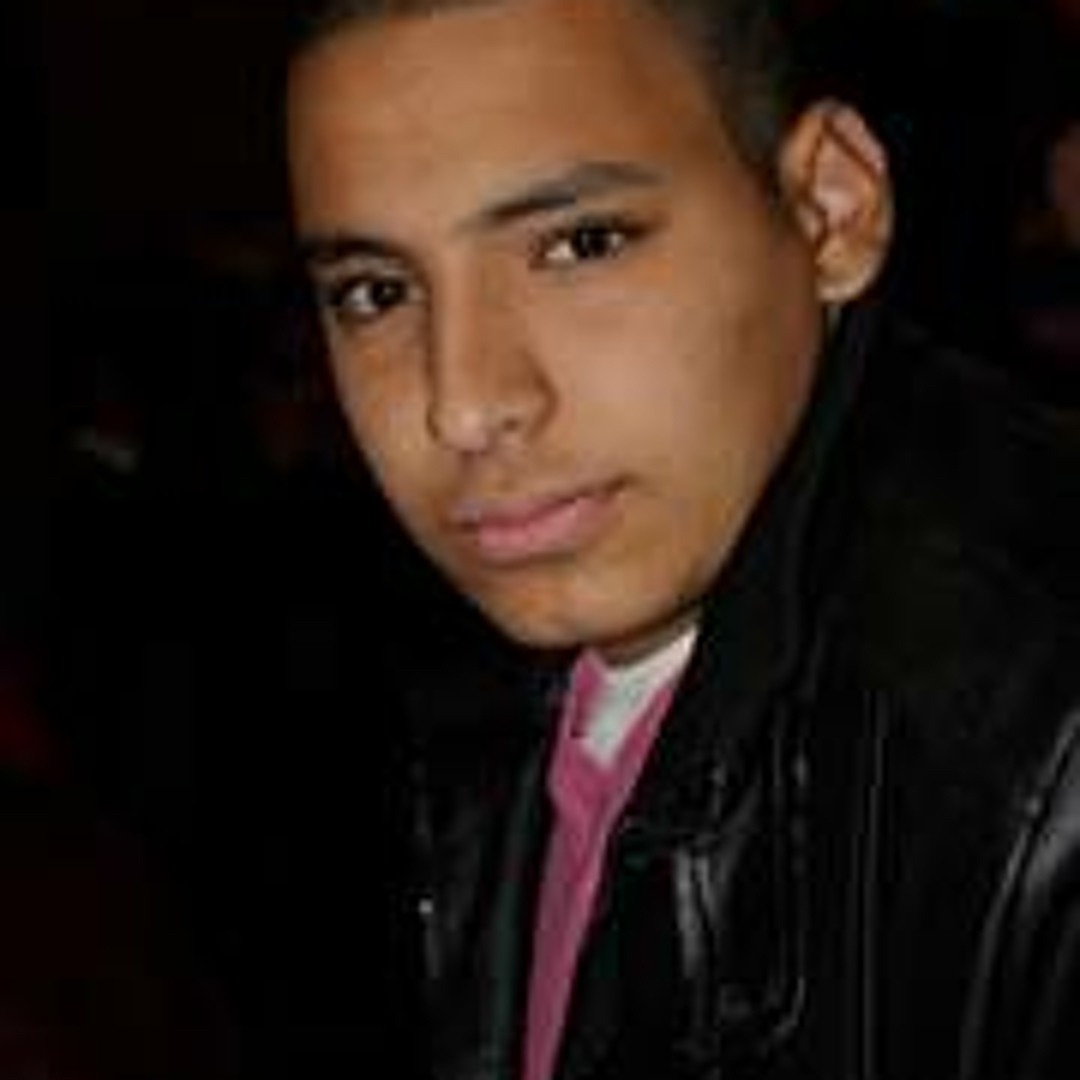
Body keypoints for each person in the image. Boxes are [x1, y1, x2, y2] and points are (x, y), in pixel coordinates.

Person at [284, 1, 1080, 1078]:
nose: (461, 405)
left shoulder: (1036, 744)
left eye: (581, 244)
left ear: (830, 208)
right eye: (375, 293)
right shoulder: (460, 679)